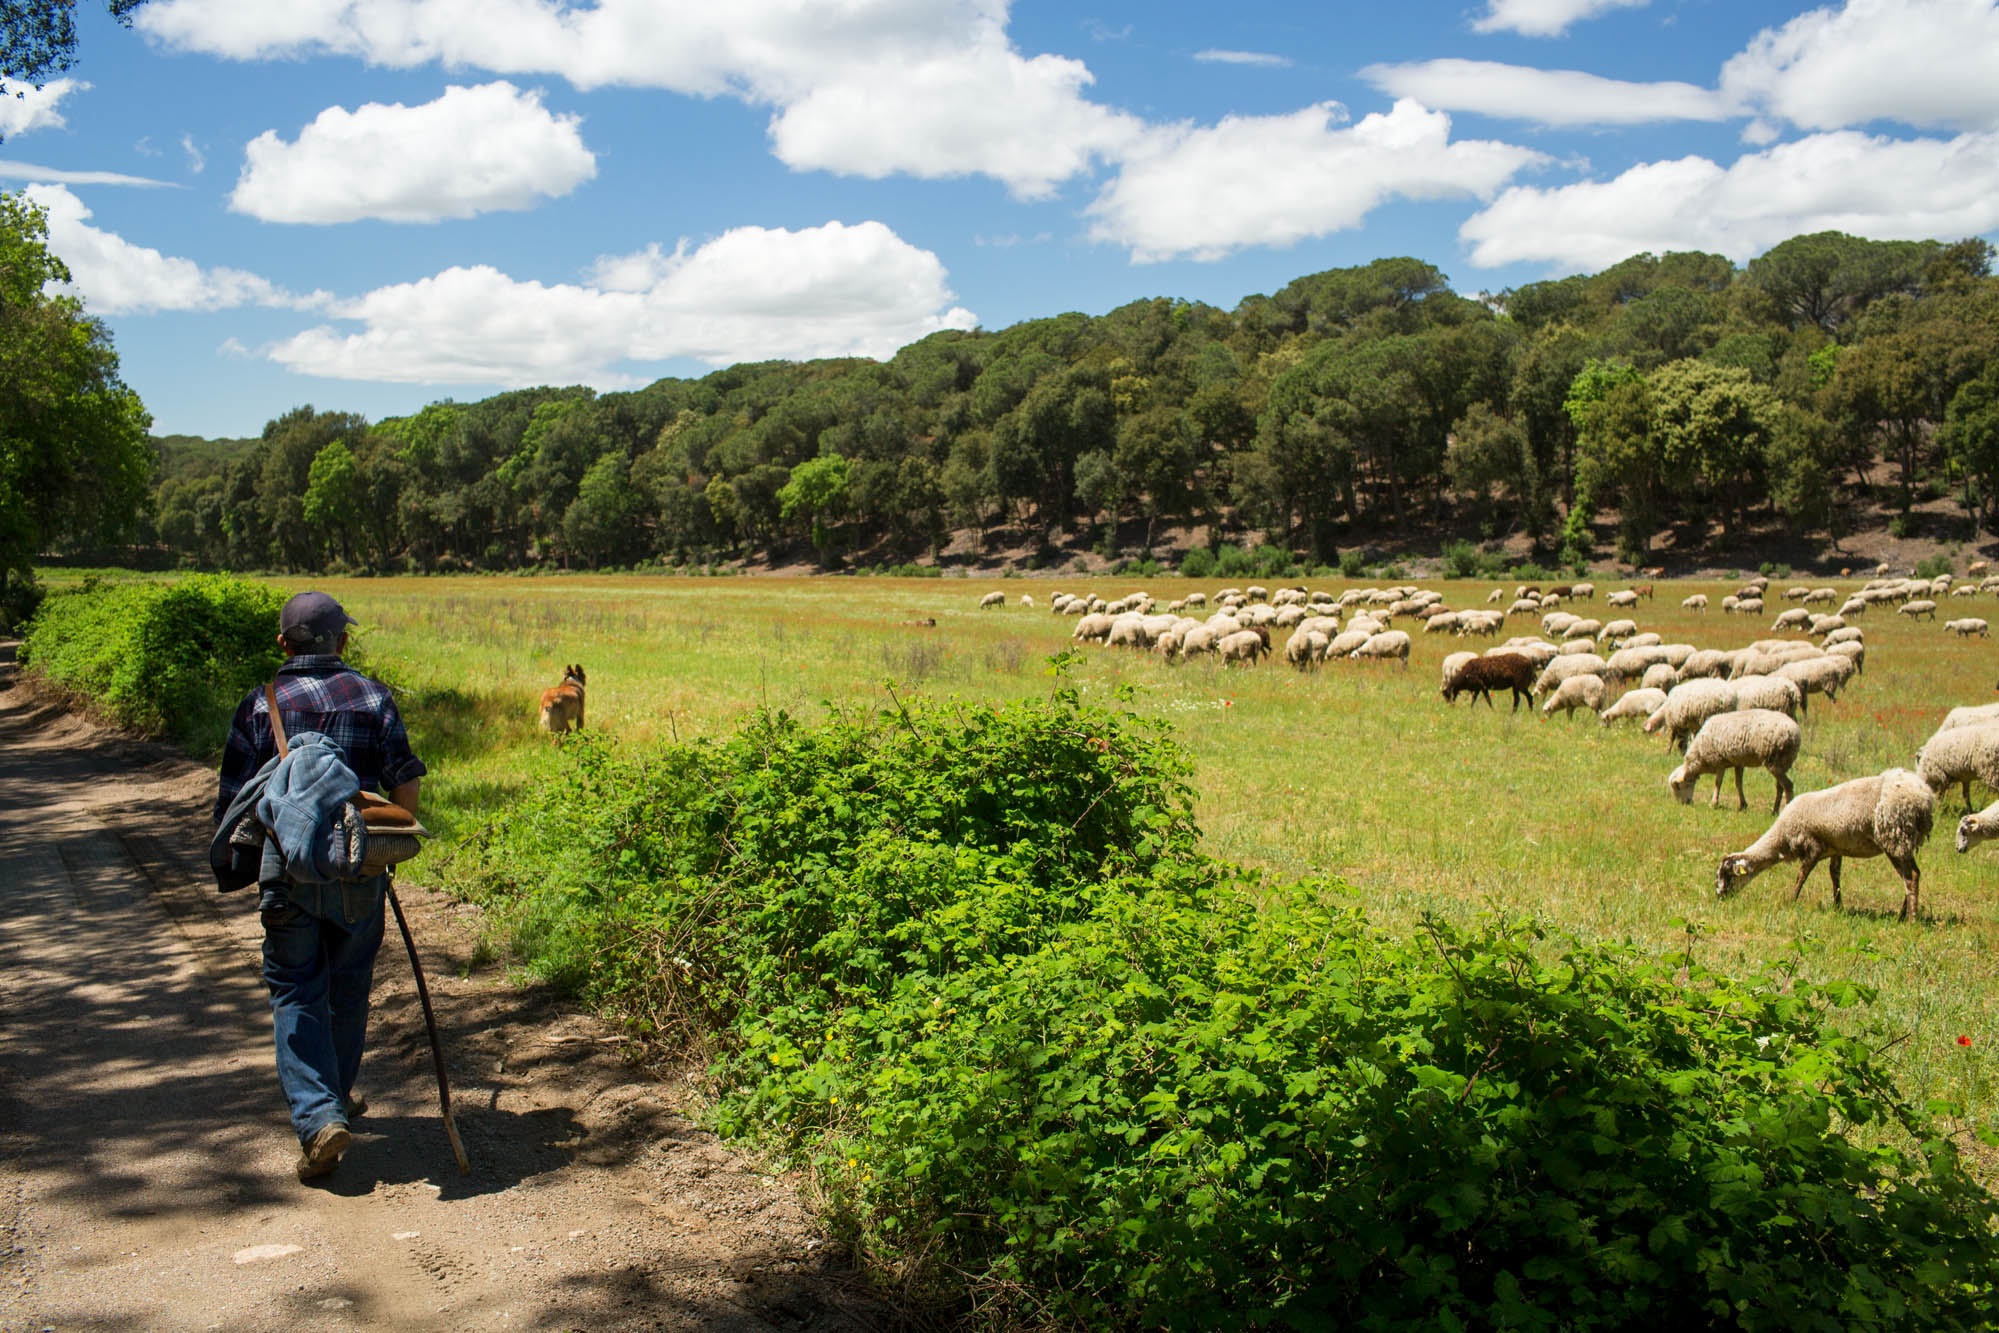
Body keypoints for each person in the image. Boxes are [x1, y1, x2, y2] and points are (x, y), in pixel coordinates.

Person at [213, 591, 426, 1181]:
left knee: (296, 989)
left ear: (284, 644)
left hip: (287, 874)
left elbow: (232, 804)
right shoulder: (372, 695)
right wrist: (388, 852)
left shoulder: (261, 705)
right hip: (359, 870)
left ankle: (318, 1115)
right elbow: (404, 784)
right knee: (349, 985)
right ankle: (332, 1097)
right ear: (343, 642)